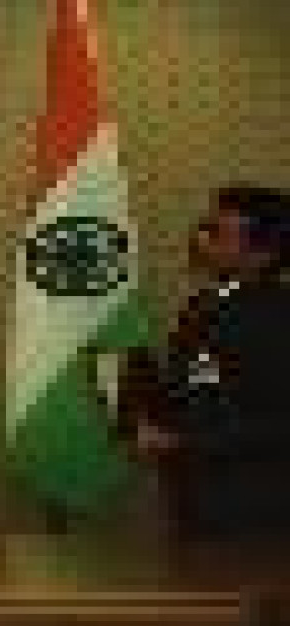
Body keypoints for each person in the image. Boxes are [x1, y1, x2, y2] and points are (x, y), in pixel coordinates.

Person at [133, 185, 290, 545]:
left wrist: (184, 442)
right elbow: (197, 384)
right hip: (199, 502)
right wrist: (136, 386)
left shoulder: (278, 318)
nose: (202, 240)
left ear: (263, 253)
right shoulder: (203, 304)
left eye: (218, 233)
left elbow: (277, 421)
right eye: (206, 226)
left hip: (257, 512)